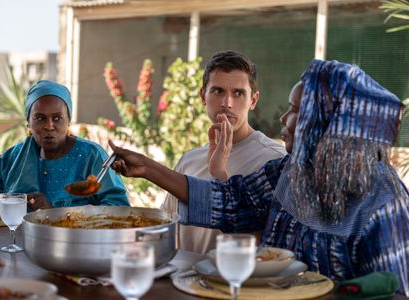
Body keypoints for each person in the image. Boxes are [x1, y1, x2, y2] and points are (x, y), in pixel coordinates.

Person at [109, 60, 409, 295]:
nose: (282, 120)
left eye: (293, 111)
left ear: (324, 121)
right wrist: (147, 168)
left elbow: (390, 291)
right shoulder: (294, 170)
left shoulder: (383, 204)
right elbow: (231, 200)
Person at [162, 50, 285, 254]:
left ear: (253, 100)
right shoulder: (189, 160)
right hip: (183, 282)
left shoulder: (273, 161)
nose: (227, 103)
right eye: (218, 91)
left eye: (238, 93)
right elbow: (166, 228)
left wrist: (220, 175)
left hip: (239, 282)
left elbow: (272, 248)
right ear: (203, 96)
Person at [0, 80, 129, 209]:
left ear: (68, 121)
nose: (49, 126)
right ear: (29, 124)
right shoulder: (14, 157)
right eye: (40, 118)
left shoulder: (92, 156)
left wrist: (53, 213)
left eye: (57, 118)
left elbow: (117, 207)